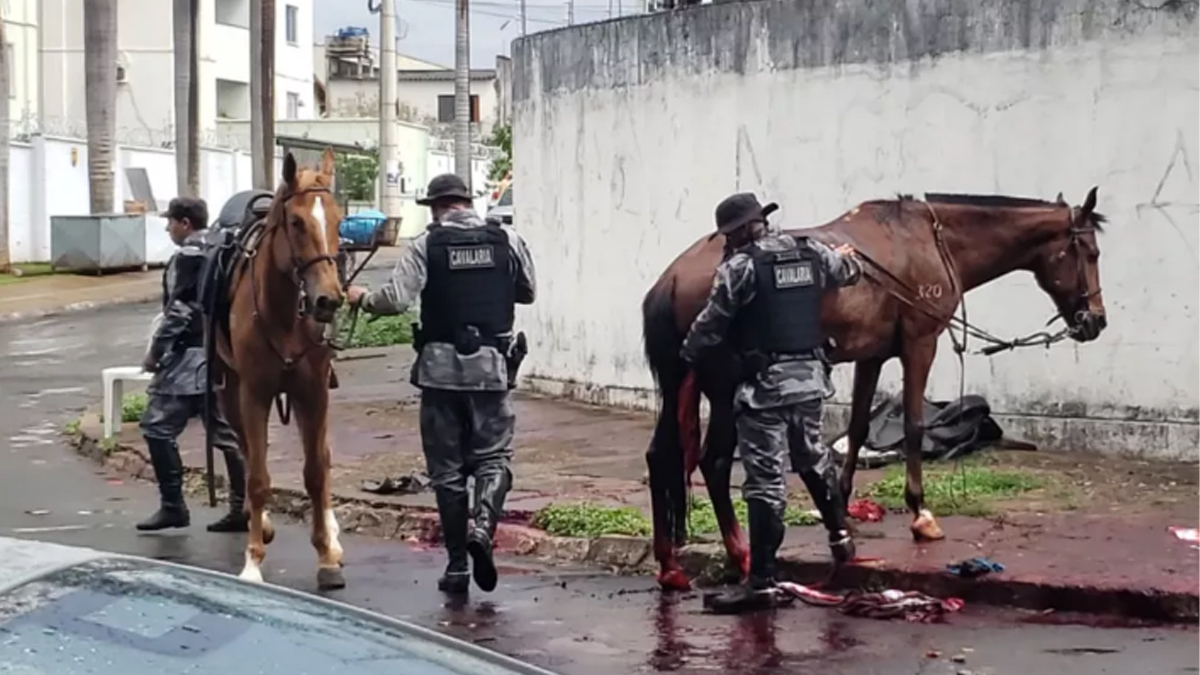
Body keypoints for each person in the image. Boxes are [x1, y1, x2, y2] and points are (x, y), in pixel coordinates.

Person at [346, 173, 537, 595]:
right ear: (467, 203)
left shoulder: (426, 245)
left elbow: (396, 300)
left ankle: (456, 568)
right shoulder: (507, 240)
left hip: (439, 374)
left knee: (447, 471)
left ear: (435, 208)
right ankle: (483, 529)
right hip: (491, 369)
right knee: (493, 458)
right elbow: (528, 293)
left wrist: (363, 298)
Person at [680, 192, 862, 614]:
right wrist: (845, 257)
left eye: (730, 235)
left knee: (765, 483)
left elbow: (713, 322)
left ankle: (760, 583)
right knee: (813, 457)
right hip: (810, 381)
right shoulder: (812, 252)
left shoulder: (741, 267)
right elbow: (849, 272)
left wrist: (688, 353)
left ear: (744, 230)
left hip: (764, 390)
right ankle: (840, 537)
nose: (728, 242)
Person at [137, 196, 248, 534]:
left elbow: (180, 311)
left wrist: (155, 353)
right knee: (225, 433)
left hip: (186, 359)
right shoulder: (220, 248)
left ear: (185, 223)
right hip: (217, 355)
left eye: (170, 222)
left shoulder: (189, 255)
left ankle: (173, 506)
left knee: (156, 427)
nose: (168, 229)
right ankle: (241, 506)